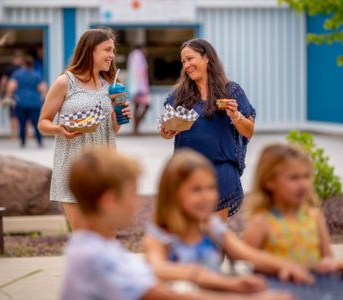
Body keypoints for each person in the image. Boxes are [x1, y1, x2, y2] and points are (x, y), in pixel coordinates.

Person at [61, 147, 293, 300]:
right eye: (132, 194)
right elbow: (161, 292)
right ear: (109, 201)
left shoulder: (97, 246)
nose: (139, 201)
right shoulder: (93, 256)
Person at [143, 149, 315, 292]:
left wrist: (285, 266)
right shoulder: (159, 236)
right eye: (196, 190)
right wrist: (216, 280)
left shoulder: (211, 228)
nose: (207, 196)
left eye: (211, 188)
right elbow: (157, 269)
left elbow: (247, 254)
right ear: (172, 194)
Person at [38, 28, 132, 231]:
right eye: (107, 50)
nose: (112, 56)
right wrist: (60, 129)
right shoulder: (66, 82)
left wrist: (119, 115)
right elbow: (43, 122)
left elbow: (112, 130)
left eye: (113, 50)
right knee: (84, 235)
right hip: (74, 166)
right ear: (90, 51)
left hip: (105, 166)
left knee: (108, 235)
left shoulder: (110, 85)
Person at [159, 39, 256, 220]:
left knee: (215, 235)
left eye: (190, 59)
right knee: (189, 232)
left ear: (207, 58)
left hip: (221, 171)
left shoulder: (231, 91)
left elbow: (249, 131)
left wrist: (235, 116)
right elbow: (165, 129)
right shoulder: (178, 94)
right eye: (183, 62)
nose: (187, 65)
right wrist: (166, 131)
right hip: (187, 171)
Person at [242, 143, 339, 273]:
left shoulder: (314, 217)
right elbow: (245, 264)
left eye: (306, 176)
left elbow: (328, 258)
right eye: (294, 178)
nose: (302, 184)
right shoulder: (261, 222)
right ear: (269, 182)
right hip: (276, 291)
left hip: (314, 289)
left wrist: (328, 263)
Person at [6, 55, 47, 147]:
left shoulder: (17, 74)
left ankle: (23, 142)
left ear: (23, 64)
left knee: (22, 123)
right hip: (35, 103)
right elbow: (42, 88)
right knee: (36, 122)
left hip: (21, 102)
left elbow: (11, 86)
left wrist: (9, 96)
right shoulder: (37, 74)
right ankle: (39, 141)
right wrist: (44, 98)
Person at [0, 51, 23, 139]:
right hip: (23, 95)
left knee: (14, 115)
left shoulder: (8, 68)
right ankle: (27, 135)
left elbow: (3, 81)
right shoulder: (24, 68)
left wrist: (2, 94)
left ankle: (14, 135)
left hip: (12, 95)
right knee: (24, 115)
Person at [127, 46, 150, 135]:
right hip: (139, 87)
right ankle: (136, 128)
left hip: (138, 87)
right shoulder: (137, 55)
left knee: (137, 107)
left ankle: (135, 128)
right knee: (146, 106)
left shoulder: (134, 56)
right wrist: (139, 87)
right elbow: (138, 72)